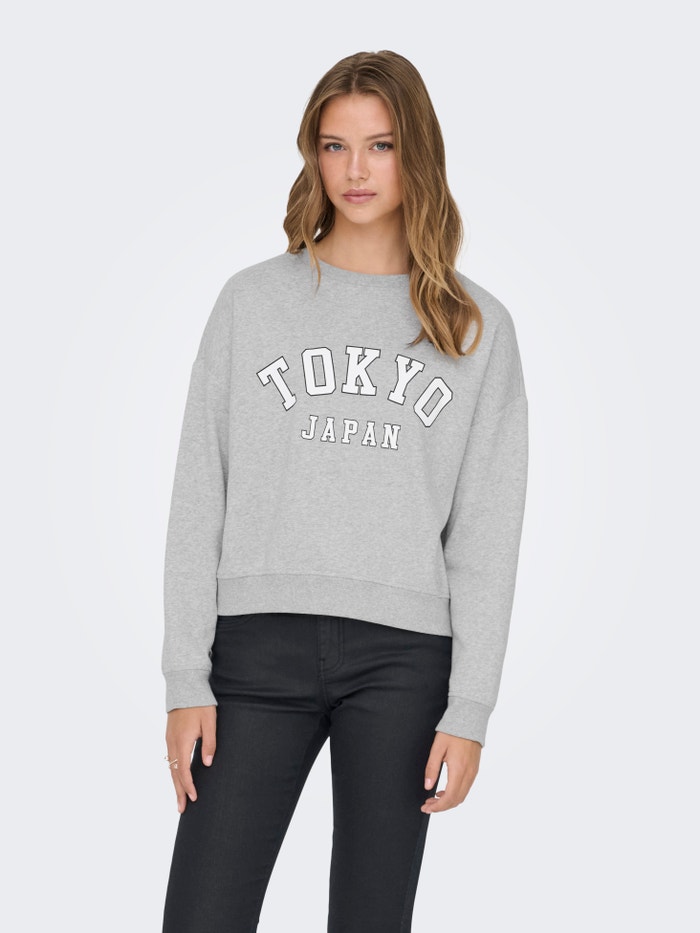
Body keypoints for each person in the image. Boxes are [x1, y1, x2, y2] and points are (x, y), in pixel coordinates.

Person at [160, 49, 529, 932]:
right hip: (254, 653)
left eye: (380, 145)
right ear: (313, 155)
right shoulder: (253, 301)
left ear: (417, 154)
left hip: (405, 661)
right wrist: (184, 675)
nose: (355, 170)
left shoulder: (475, 327)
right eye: (335, 146)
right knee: (202, 913)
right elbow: (198, 492)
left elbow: (486, 532)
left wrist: (471, 706)